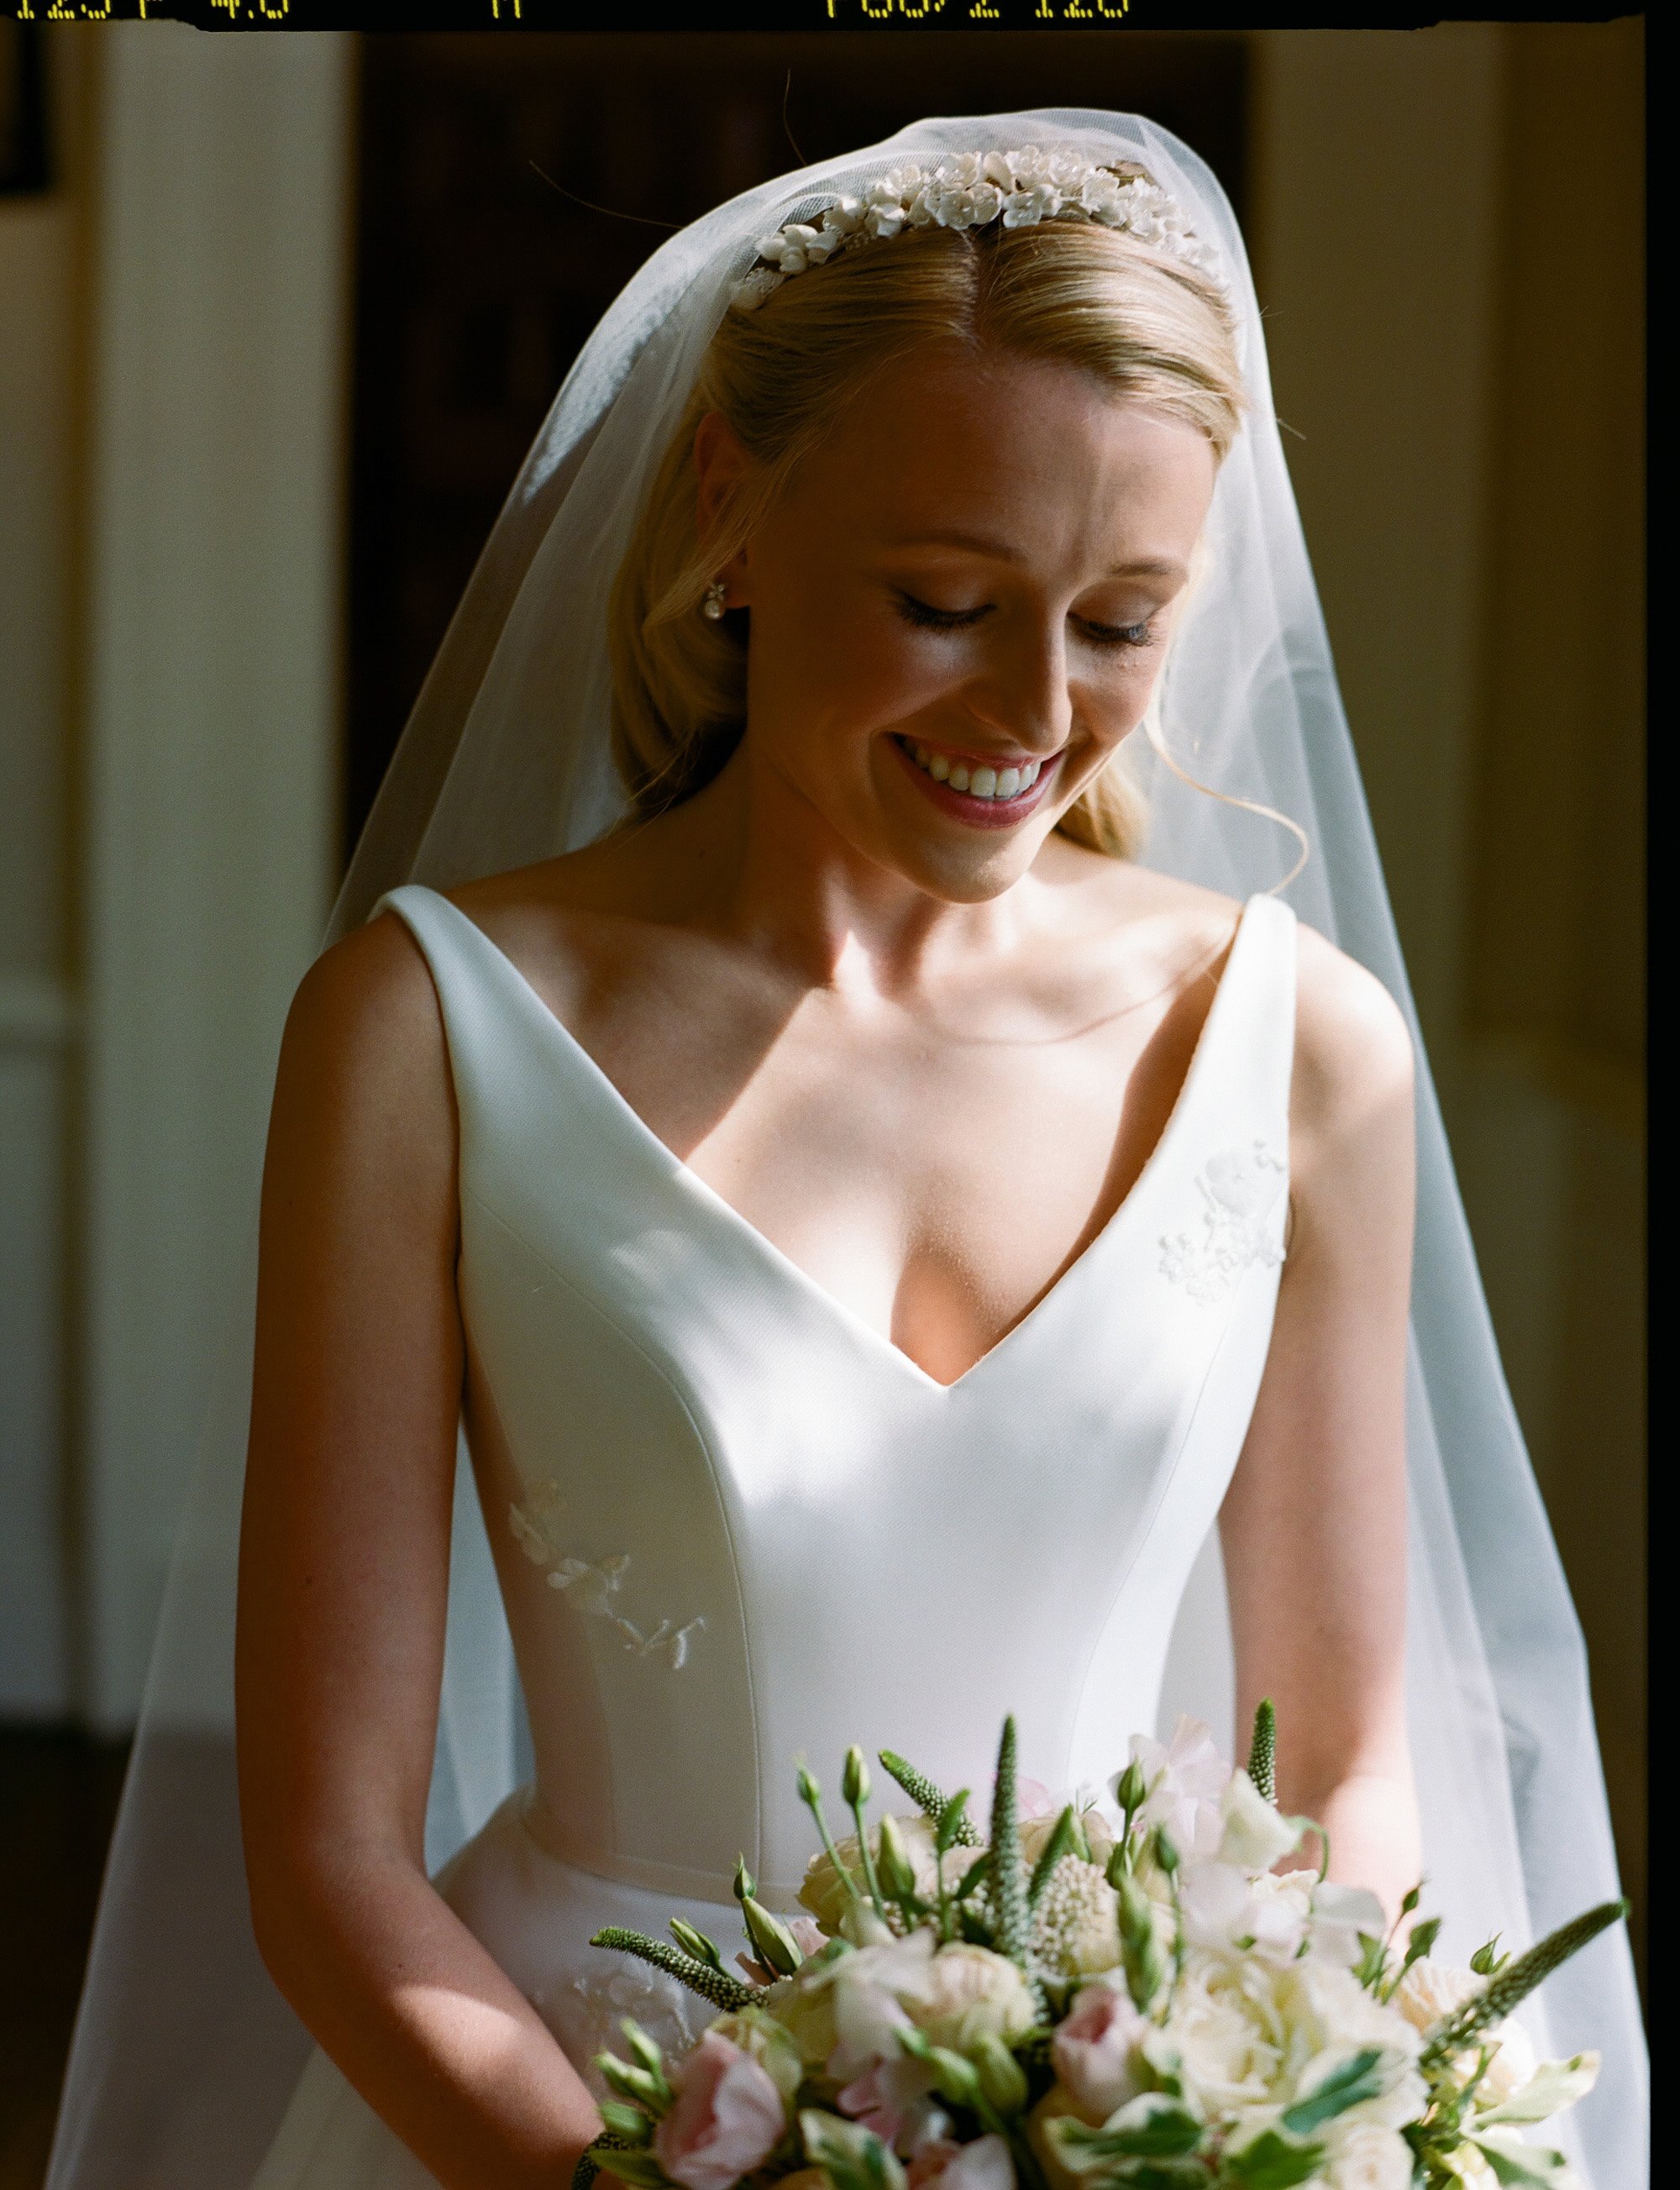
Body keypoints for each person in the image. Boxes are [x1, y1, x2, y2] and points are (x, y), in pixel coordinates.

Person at [45, 113, 1645, 2190]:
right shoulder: (425, 1030)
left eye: (1121, 619)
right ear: (730, 500)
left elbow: (1344, 1764)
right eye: (947, 596)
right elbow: (328, 1854)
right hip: (555, 2114)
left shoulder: (1297, 1046)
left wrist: (1221, 2131)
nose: (1036, 707)